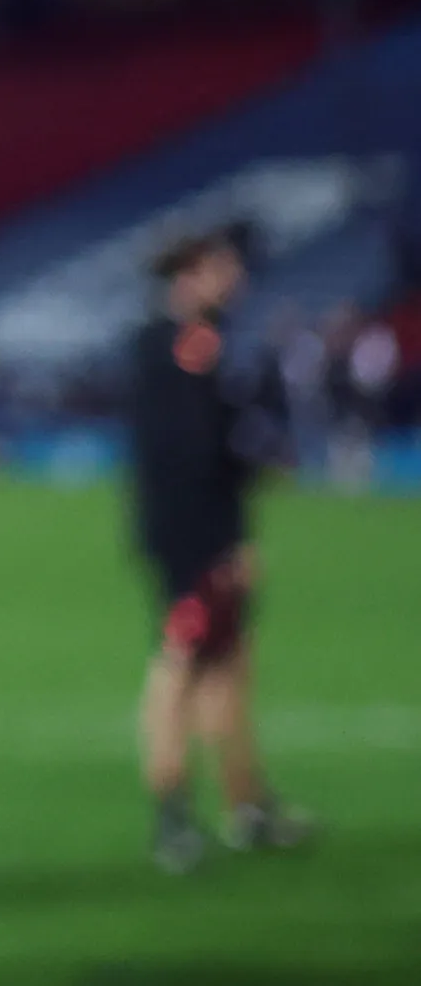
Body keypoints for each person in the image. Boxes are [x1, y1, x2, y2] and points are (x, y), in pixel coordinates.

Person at [130, 224, 310, 870]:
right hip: (194, 538)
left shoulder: (187, 345)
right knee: (180, 665)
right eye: (219, 268)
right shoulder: (181, 347)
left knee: (228, 665)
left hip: (196, 531)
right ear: (189, 274)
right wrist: (225, 542)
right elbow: (192, 454)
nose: (231, 280)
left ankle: (244, 803)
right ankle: (172, 817)